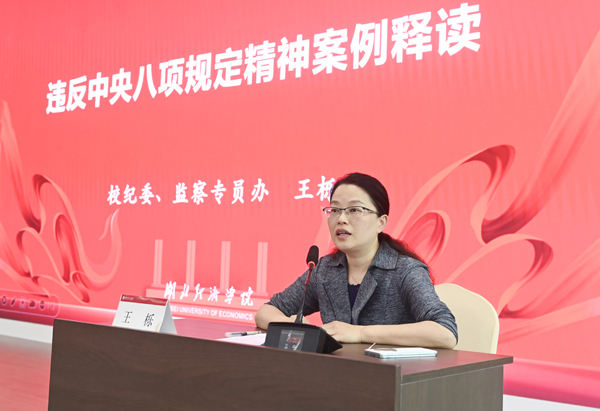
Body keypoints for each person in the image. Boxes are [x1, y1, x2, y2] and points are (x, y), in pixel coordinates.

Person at [255, 172, 457, 349]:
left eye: (354, 210)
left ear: (381, 222)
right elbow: (266, 311)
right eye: (335, 210)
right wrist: (291, 325)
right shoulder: (325, 269)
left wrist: (360, 333)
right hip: (340, 373)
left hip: (392, 375)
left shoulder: (405, 270)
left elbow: (445, 332)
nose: (341, 219)